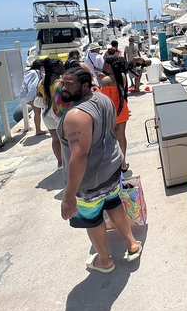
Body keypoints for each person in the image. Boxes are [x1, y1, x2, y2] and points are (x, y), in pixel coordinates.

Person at [57, 68, 141, 273]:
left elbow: (79, 156)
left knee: (92, 219)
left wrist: (68, 196)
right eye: (63, 83)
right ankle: (131, 243)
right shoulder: (103, 99)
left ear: (85, 86)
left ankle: (104, 260)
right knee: (113, 202)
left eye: (70, 84)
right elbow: (111, 131)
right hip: (111, 169)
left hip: (88, 181)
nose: (63, 88)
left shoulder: (76, 116)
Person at [98, 56, 130, 172]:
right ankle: (123, 163)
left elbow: (105, 99)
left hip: (112, 112)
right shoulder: (123, 76)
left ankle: (116, 163)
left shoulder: (105, 81)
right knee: (122, 136)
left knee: (113, 139)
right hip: (122, 109)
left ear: (108, 65)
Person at [37, 58, 70, 168]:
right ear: (55, 68)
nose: (64, 67)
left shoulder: (41, 82)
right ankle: (70, 161)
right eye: (62, 65)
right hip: (59, 111)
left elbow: (39, 97)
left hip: (46, 112)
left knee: (55, 139)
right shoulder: (59, 83)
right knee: (67, 139)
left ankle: (60, 162)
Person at [19, 60, 46, 135]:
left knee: (37, 111)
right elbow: (32, 86)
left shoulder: (37, 73)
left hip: (28, 96)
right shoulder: (34, 73)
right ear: (41, 67)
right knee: (37, 111)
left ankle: (38, 130)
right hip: (29, 96)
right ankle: (38, 130)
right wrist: (32, 98)